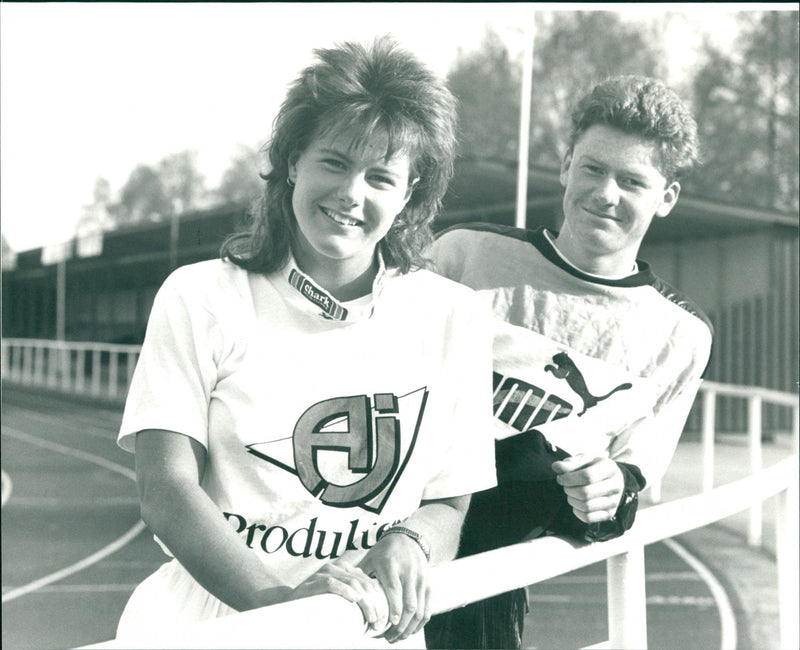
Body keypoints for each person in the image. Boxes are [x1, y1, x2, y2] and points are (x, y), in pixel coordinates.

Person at [115, 38, 496, 648]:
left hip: (361, 632)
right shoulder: (200, 296)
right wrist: (282, 608)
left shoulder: (455, 317)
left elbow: (450, 503)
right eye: (335, 162)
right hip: (214, 623)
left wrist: (411, 540)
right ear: (293, 161)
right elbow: (165, 492)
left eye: (380, 176)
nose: (351, 194)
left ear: (409, 193)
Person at [425, 75, 714, 649]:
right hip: (374, 533)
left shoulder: (680, 334)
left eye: (632, 180)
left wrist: (608, 491)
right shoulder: (464, 254)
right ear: (564, 167)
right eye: (593, 168)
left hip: (485, 588)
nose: (605, 193)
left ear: (668, 198)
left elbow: (628, 483)